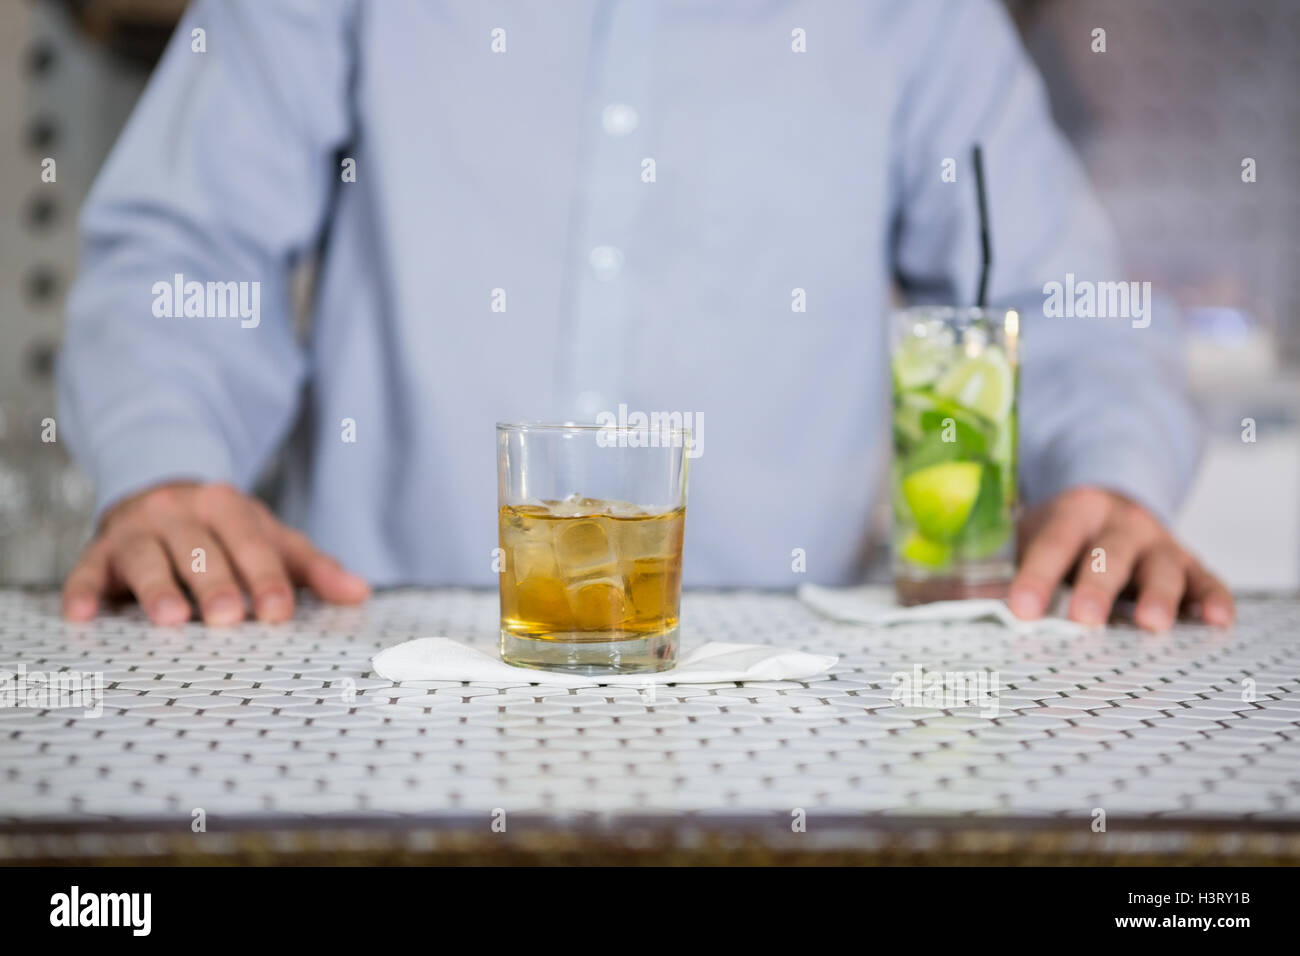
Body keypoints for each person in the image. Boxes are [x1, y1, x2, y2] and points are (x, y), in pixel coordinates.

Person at [57, 0, 1234, 632]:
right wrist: (169, 470)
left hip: (781, 710)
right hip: (379, 672)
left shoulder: (918, 17)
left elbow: (1054, 301)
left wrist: (1109, 479)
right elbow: (186, 246)